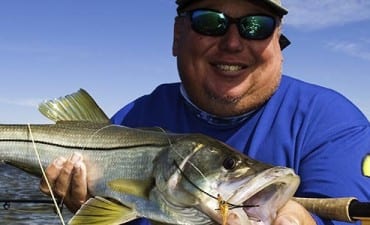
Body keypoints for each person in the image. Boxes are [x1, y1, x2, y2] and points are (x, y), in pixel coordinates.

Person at [40, 0, 370, 225]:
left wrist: (301, 219)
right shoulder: (132, 116)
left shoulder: (333, 124)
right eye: (210, 22)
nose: (232, 43)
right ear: (177, 37)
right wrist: (90, 208)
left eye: (256, 25)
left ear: (278, 42)